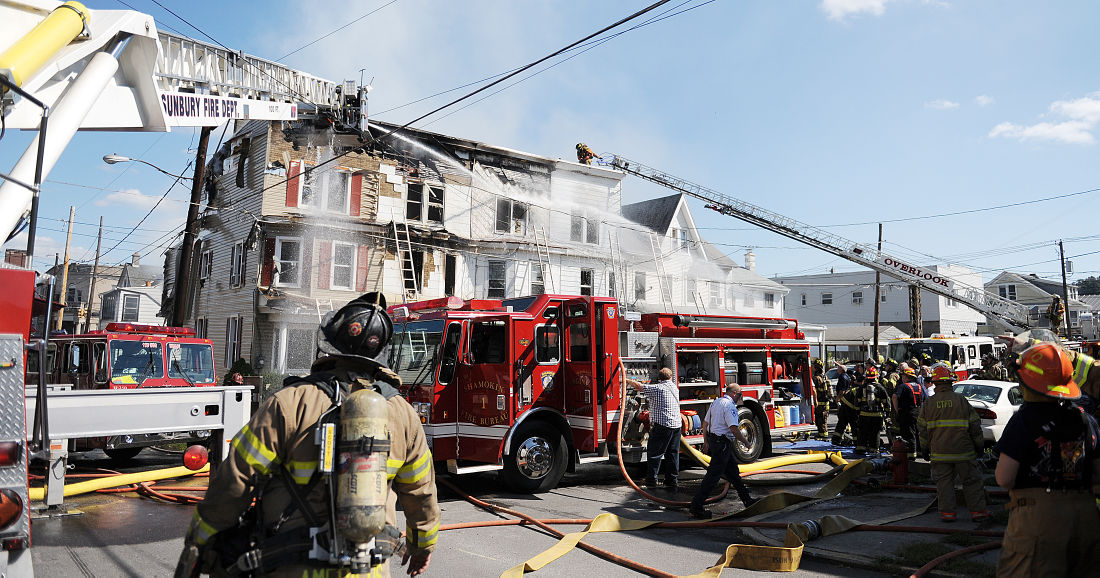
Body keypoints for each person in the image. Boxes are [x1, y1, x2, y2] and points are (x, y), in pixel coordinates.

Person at [177, 293, 440, 577]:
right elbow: (421, 493)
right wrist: (422, 546)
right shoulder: (402, 414)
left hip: (291, 565)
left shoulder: (289, 403)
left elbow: (235, 482)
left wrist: (199, 541)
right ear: (381, 354)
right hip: (367, 569)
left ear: (329, 346)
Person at [995, 342, 1100, 576]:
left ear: (1025, 382)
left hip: (1038, 519)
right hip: (1086, 517)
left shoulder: (1023, 421)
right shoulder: (1086, 421)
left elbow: (1004, 478)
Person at [917, 363, 988, 523]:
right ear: (951, 382)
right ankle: (978, 513)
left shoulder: (929, 403)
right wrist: (979, 446)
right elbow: (975, 426)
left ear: (935, 383)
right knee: (972, 482)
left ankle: (948, 515)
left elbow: (922, 429)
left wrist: (925, 449)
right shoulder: (961, 400)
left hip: (939, 453)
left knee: (944, 485)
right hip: (964, 452)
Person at [689, 383, 757, 519]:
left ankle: (747, 500)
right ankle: (696, 506)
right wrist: (746, 442)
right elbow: (733, 428)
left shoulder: (716, 403)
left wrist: (706, 441)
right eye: (739, 395)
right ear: (733, 393)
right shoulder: (729, 406)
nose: (739, 397)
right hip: (722, 444)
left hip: (716, 442)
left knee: (734, 474)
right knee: (713, 477)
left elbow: (705, 423)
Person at [627, 367, 682, 491]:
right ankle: (672, 481)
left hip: (663, 425)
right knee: (672, 454)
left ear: (659, 378)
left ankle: (651, 482)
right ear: (671, 377)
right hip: (676, 425)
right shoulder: (674, 387)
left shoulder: (658, 388)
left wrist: (626, 380)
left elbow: (639, 386)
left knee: (654, 454)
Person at [892, 365, 926, 456]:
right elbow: (924, 400)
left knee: (908, 433)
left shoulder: (903, 386)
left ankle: (911, 454)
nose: (902, 378)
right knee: (918, 432)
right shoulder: (919, 387)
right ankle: (919, 452)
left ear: (907, 376)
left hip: (906, 413)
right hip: (918, 412)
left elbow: (895, 397)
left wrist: (897, 410)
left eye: (903, 376)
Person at [856, 366, 889, 454]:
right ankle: (874, 449)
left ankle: (860, 449)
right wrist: (887, 413)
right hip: (877, 415)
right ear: (876, 377)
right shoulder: (880, 388)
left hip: (864, 414)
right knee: (875, 433)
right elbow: (886, 402)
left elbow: (857, 402)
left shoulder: (862, 387)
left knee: (863, 432)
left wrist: (858, 412)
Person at [832, 371, 863, 446]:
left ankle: (836, 440)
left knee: (842, 422)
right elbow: (858, 403)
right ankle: (857, 442)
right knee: (854, 423)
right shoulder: (862, 389)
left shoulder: (856, 388)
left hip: (845, 404)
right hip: (850, 407)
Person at [811, 359, 832, 438]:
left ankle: (823, 436)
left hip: (820, 403)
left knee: (820, 421)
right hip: (826, 403)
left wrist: (814, 401)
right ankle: (822, 435)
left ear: (816, 368)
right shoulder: (825, 377)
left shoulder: (816, 378)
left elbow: (814, 390)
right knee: (823, 421)